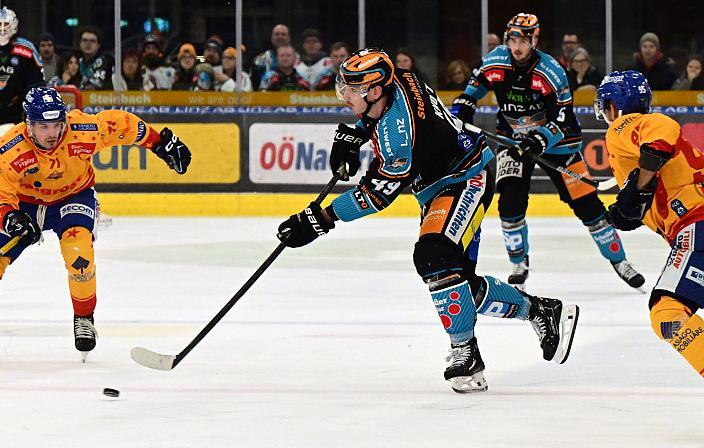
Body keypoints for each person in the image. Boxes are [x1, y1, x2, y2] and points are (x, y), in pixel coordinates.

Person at [276, 48, 580, 393]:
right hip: (440, 184)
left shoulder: (399, 136)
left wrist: (319, 219)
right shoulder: (400, 77)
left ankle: (465, 350)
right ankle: (542, 311)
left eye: (351, 89)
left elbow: (374, 196)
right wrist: (356, 133)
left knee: (434, 256)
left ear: (375, 90)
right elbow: (376, 116)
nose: (344, 94)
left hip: (465, 177)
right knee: (456, 281)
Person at [450, 12, 645, 292]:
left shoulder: (551, 71)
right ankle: (519, 263)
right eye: (512, 39)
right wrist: (462, 110)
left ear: (535, 41)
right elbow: (472, 91)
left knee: (589, 208)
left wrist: (540, 140)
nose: (516, 46)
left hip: (559, 145)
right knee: (509, 205)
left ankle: (621, 261)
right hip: (512, 142)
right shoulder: (494, 61)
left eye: (523, 40)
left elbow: (565, 118)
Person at [0, 87, 191, 360]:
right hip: (25, 204)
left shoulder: (82, 130)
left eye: (56, 124)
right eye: (43, 126)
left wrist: (159, 143)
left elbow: (122, 125)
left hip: (73, 196)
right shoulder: (10, 148)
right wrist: (10, 217)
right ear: (28, 124)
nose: (52, 133)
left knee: (79, 253)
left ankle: (84, 317)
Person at [595, 70, 704, 378]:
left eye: (606, 105)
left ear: (616, 105)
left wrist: (635, 188)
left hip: (697, 225)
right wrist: (626, 209)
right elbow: (644, 202)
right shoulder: (634, 152)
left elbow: (663, 131)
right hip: (693, 224)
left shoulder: (622, 126)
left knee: (667, 311)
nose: (605, 113)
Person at [0, 7, 43, 129]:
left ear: (14, 24)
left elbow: (36, 83)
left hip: (16, 115)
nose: (2, 28)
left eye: (6, 23)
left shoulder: (25, 49)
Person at [251, 24, 297, 90]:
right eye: (277, 34)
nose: (280, 37)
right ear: (271, 38)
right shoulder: (259, 60)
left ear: (289, 38)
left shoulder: (298, 58)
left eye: (283, 34)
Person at [77, 25, 114, 90]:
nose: (88, 44)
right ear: (80, 43)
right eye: (84, 40)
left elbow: (94, 85)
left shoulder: (105, 61)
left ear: (98, 45)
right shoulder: (76, 61)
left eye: (92, 41)